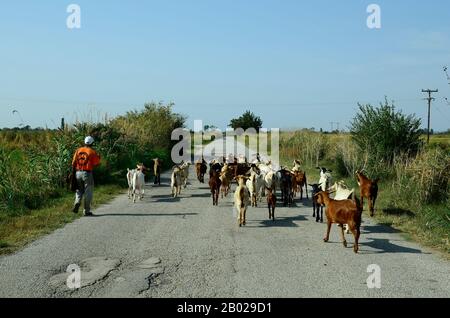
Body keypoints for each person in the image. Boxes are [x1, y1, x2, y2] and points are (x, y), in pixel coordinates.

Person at [72, 136, 101, 216]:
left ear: (84, 142)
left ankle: (77, 202)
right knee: (88, 193)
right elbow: (97, 163)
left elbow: (73, 163)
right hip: (87, 174)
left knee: (79, 190)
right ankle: (86, 211)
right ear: (92, 143)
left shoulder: (78, 150)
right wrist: (98, 157)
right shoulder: (92, 152)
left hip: (77, 173)